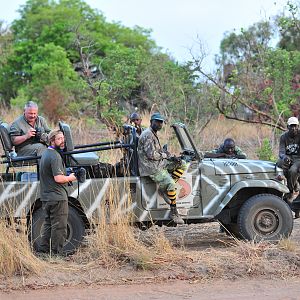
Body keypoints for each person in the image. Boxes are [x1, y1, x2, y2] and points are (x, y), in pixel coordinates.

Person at [138, 112, 187, 225]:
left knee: (182, 163)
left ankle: (164, 188)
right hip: (151, 168)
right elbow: (151, 155)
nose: (159, 124)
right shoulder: (148, 135)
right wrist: (165, 156)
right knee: (171, 184)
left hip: (158, 163)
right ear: (151, 122)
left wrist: (170, 156)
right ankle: (174, 212)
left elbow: (156, 153)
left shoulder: (153, 133)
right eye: (157, 122)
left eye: (161, 122)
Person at [38, 129, 77, 255]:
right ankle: (56, 255)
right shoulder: (54, 156)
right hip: (57, 197)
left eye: (63, 138)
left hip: (47, 196)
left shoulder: (46, 153)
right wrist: (72, 177)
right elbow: (58, 178)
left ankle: (43, 252)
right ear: (52, 140)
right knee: (60, 227)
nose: (62, 141)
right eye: (59, 139)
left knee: (48, 225)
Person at [277, 116, 300, 206]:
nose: (294, 128)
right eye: (291, 126)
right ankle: (295, 184)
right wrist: (284, 157)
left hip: (298, 158)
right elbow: (281, 152)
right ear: (288, 127)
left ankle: (290, 191)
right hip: (288, 157)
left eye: (295, 126)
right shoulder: (283, 137)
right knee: (279, 164)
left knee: (293, 170)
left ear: (298, 126)